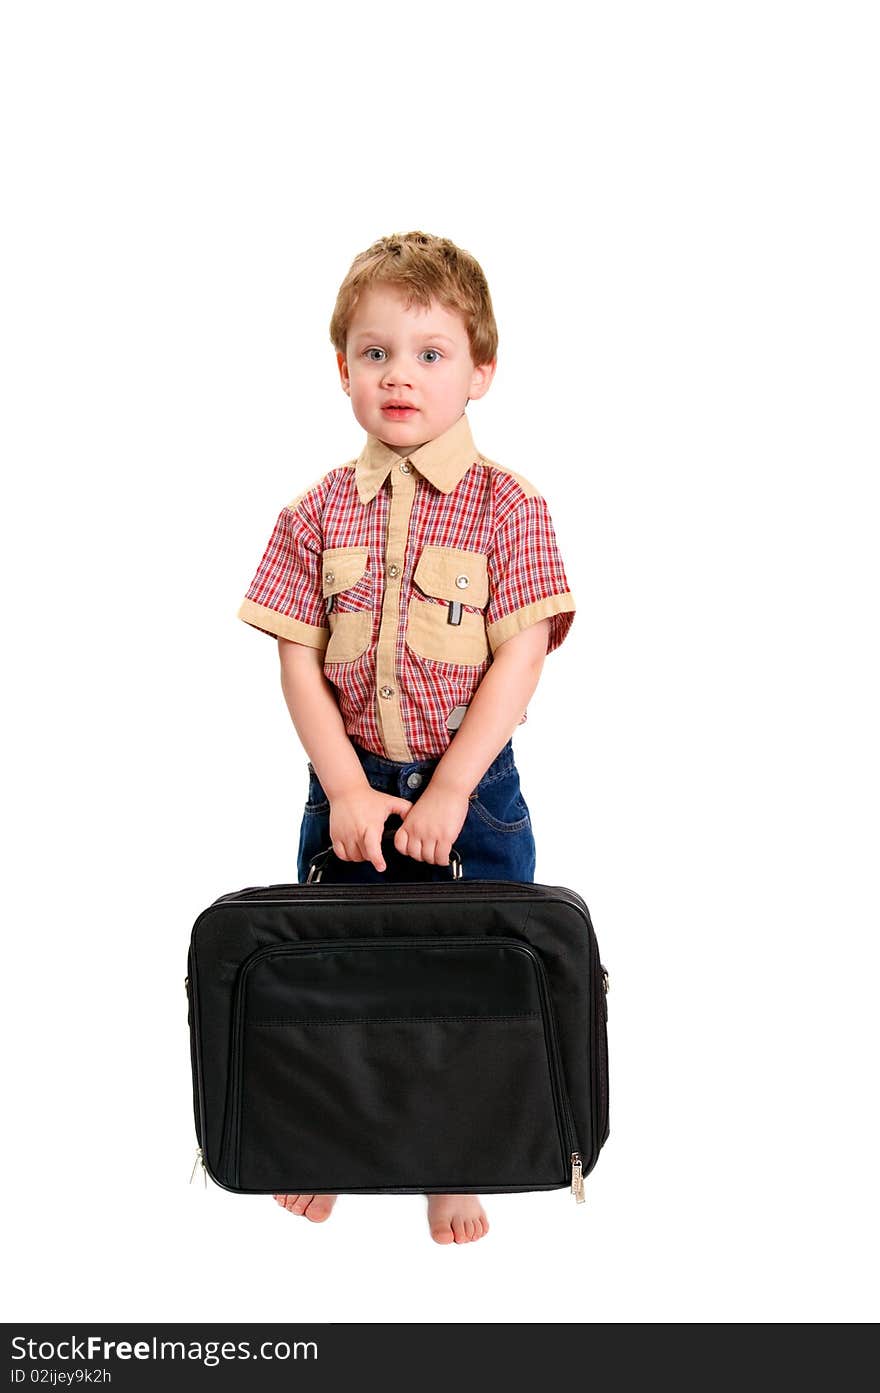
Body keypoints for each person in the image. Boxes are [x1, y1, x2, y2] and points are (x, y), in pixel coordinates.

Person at [237, 231, 576, 1244]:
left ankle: (453, 1160)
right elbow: (298, 661)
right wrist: (343, 789)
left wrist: (451, 794)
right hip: (349, 786)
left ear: (481, 370)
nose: (400, 374)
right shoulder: (311, 514)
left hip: (470, 790)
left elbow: (518, 660)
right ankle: (333, 1138)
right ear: (342, 366)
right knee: (344, 981)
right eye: (376, 350)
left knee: (467, 988)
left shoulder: (511, 506)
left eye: (431, 352)